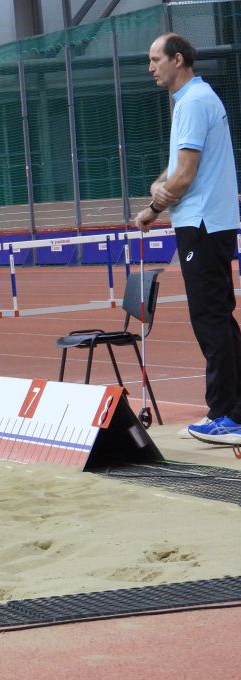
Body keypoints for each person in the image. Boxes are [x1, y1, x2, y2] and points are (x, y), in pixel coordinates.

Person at [134, 33, 241, 445]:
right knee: (219, 318)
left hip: (203, 224)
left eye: (155, 59)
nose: (150, 67)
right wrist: (157, 191)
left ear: (177, 59)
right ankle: (234, 410)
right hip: (207, 222)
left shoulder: (194, 101)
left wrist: (155, 205)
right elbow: (176, 169)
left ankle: (225, 415)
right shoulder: (193, 99)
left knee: (210, 319)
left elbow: (184, 176)